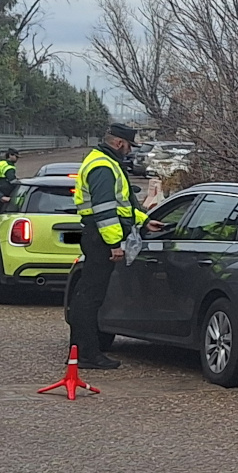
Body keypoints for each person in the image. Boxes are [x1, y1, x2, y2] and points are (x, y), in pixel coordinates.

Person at [66, 124, 163, 369]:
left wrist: (144, 220)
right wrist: (114, 244)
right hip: (100, 239)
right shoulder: (103, 166)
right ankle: (86, 353)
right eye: (130, 146)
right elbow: (105, 210)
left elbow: (124, 206)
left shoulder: (105, 162)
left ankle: (82, 352)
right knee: (90, 298)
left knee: (88, 296)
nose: (130, 151)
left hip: (99, 237)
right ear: (119, 143)